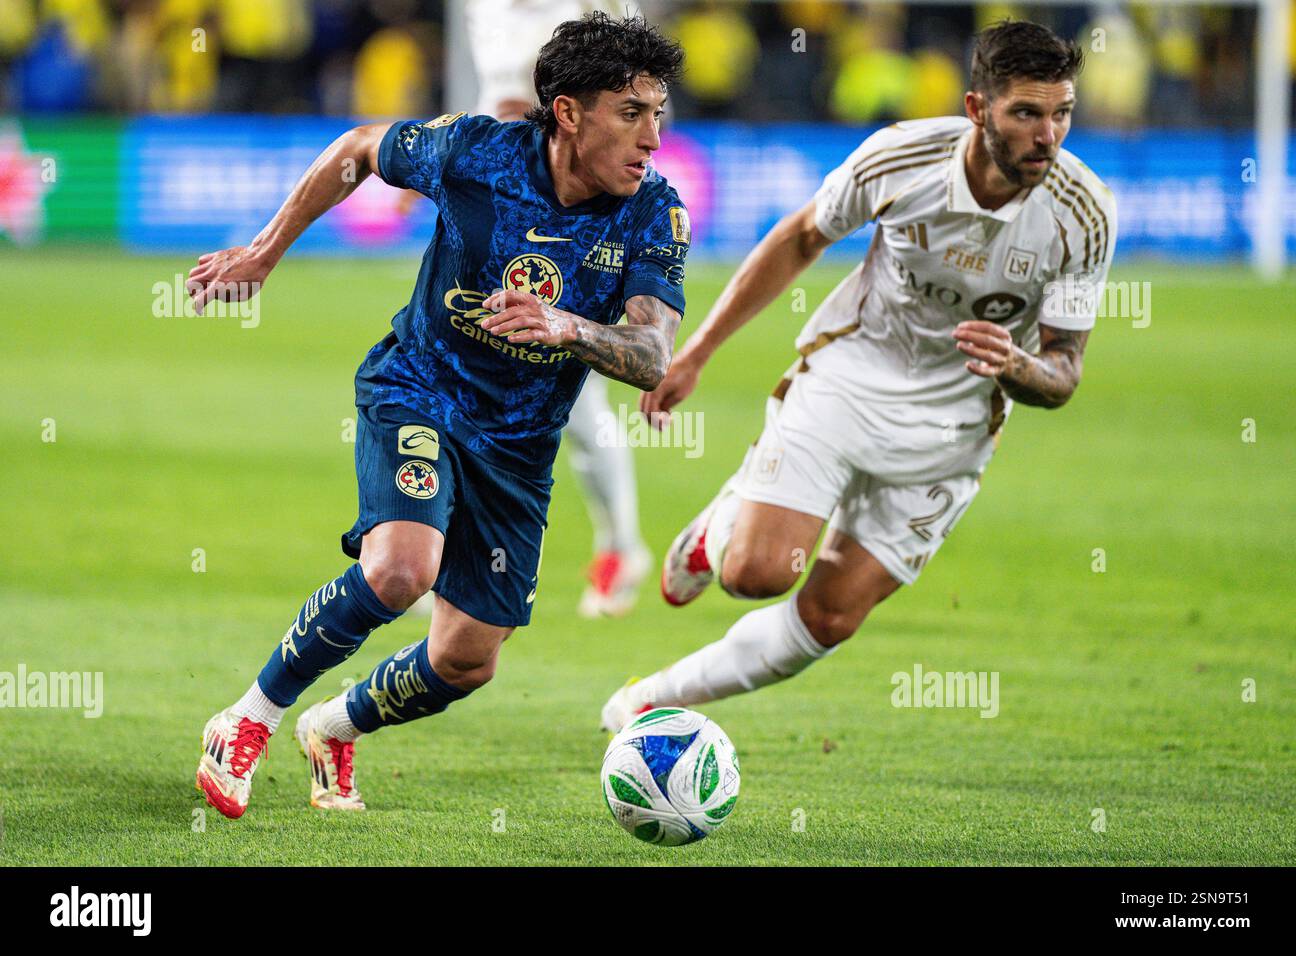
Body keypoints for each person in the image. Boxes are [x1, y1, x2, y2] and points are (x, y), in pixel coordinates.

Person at [189, 12, 689, 817]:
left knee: (465, 661)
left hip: (518, 447)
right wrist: (265, 252)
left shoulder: (655, 213)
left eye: (659, 114)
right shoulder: (477, 152)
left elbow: (652, 353)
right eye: (632, 113)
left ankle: (333, 726)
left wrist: (568, 326)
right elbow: (357, 148)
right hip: (419, 388)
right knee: (401, 569)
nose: (654, 138)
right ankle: (247, 718)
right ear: (568, 112)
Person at [601, 19, 1116, 730]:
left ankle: (653, 699)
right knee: (757, 574)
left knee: (831, 616)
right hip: (849, 378)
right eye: (1026, 113)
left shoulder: (1084, 214)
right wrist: (695, 353)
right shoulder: (902, 159)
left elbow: (1065, 369)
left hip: (953, 431)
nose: (1048, 135)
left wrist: (1022, 366)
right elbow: (802, 235)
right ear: (977, 109)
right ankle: (718, 527)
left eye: (1062, 113)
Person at [466, 0, 654, 618]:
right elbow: (495, 96)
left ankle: (620, 547)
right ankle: (448, 550)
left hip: (569, 206)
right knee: (466, 368)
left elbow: (634, 95)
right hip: (502, 194)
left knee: (571, 392)